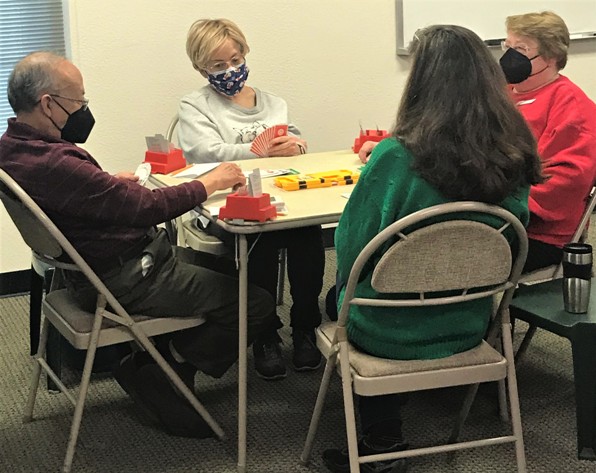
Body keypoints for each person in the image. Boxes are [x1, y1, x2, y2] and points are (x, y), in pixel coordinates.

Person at [0, 51, 275, 438]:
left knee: (233, 271)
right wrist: (210, 183)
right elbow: (148, 208)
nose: (83, 108)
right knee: (256, 303)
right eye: (78, 100)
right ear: (48, 104)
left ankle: (159, 360)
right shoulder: (55, 163)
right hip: (127, 277)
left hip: (89, 272)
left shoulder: (14, 148)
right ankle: (170, 369)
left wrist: (107, 186)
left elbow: (71, 194)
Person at [322, 25, 543, 473]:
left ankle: (382, 438)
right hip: (469, 322)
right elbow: (511, 235)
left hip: (388, 331)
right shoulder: (515, 151)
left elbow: (350, 249)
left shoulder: (395, 156)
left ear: (420, 82)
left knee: (336, 300)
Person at [178, 18, 325, 380]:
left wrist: (295, 145)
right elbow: (205, 152)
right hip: (227, 206)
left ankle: (305, 325)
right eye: (218, 65)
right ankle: (265, 332)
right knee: (261, 239)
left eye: (235, 59)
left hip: (279, 199)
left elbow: (295, 141)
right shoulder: (195, 106)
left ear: (244, 54)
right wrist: (260, 152)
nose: (230, 70)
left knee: (308, 234)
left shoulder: (274, 103)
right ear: (201, 67)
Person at [499, 11, 596, 272]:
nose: (510, 56)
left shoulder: (572, 107)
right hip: (494, 215)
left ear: (551, 57)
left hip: (537, 233)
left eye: (521, 49)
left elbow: (564, 182)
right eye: (507, 46)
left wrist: (497, 200)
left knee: (444, 255)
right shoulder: (501, 95)